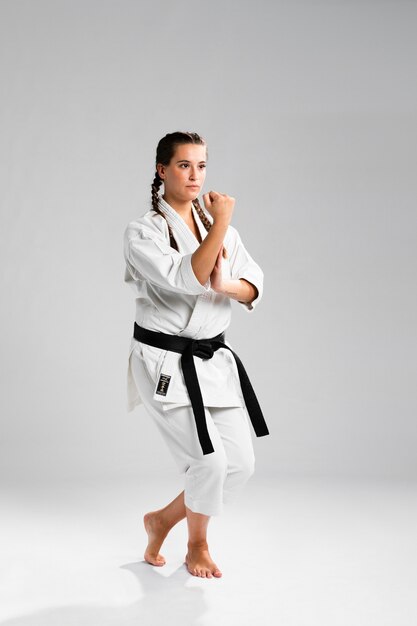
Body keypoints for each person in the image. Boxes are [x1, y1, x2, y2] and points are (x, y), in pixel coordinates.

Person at [123, 131, 270, 578]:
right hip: (164, 362)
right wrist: (221, 224)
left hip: (211, 360)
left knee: (240, 464)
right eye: (184, 165)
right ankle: (197, 544)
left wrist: (226, 285)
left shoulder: (217, 227)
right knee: (208, 462)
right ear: (161, 170)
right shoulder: (143, 232)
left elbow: (253, 283)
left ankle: (161, 520)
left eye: (201, 166)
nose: (195, 175)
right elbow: (188, 277)